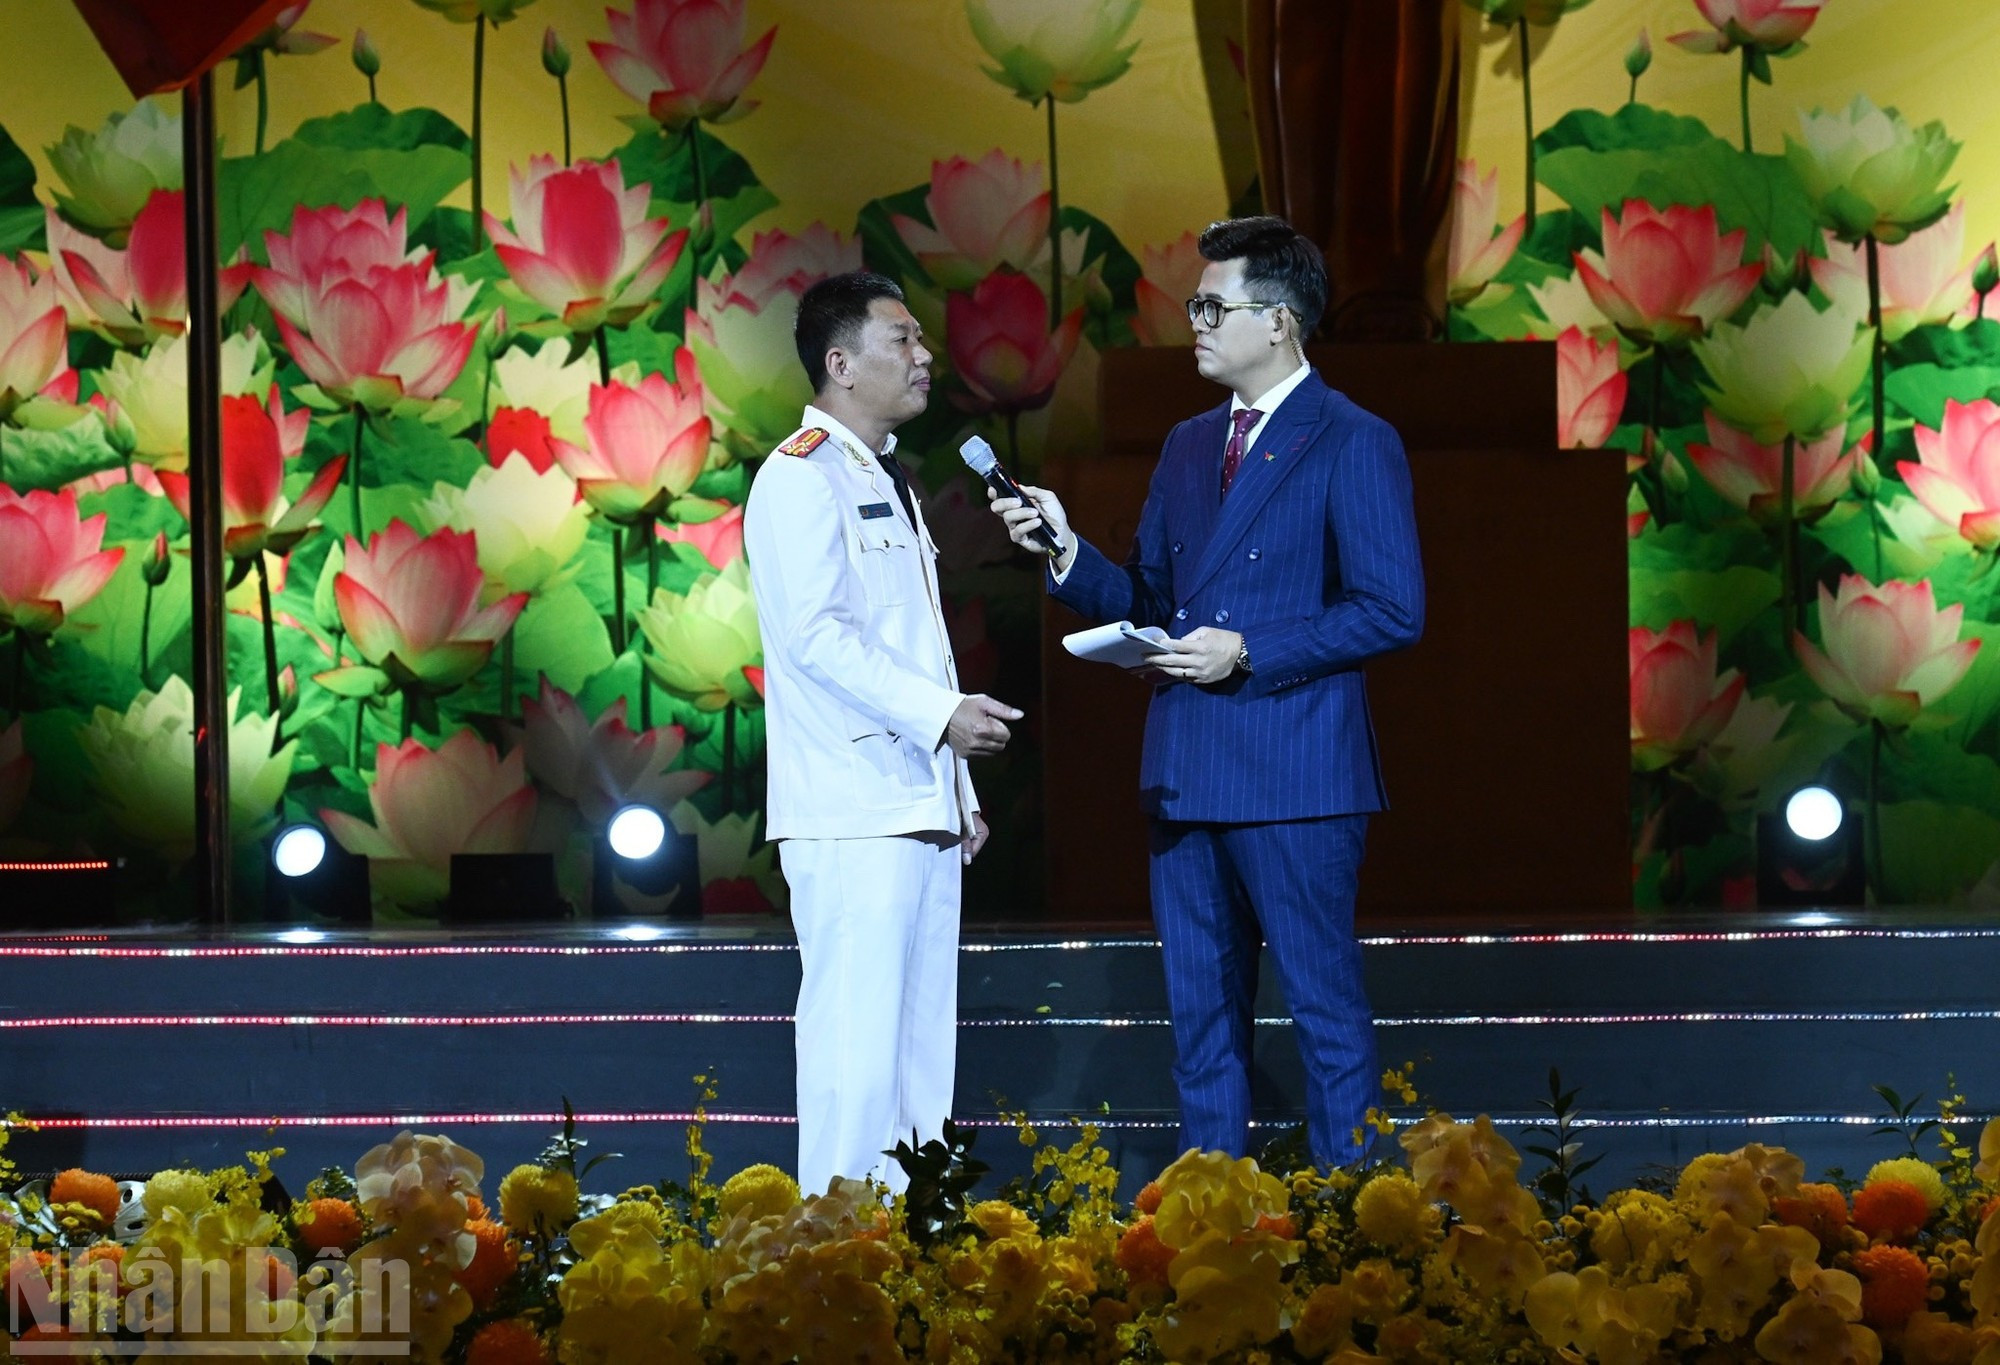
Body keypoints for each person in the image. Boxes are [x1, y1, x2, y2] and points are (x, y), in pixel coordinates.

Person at [989, 216, 1423, 1166]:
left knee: (1325, 1012)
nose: (1195, 322)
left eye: (1211, 306)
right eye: (1197, 305)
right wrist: (1067, 550)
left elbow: (1394, 609)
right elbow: (1152, 593)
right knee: (1200, 1023)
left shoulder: (1353, 439)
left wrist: (1250, 650)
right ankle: (1211, 1226)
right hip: (1187, 770)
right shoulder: (1190, 443)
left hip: (1297, 771)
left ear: (1280, 321)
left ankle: (1359, 1226)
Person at [744, 269, 1023, 1195]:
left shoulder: (887, 475)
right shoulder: (799, 474)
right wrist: (943, 719)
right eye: (901, 339)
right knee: (854, 1057)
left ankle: (908, 1254)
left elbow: (917, 643)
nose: (924, 355)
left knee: (917, 1057)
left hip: (916, 800)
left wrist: (958, 784)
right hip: (852, 808)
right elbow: (816, 637)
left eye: (919, 338)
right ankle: (827, 1257)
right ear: (840, 362)